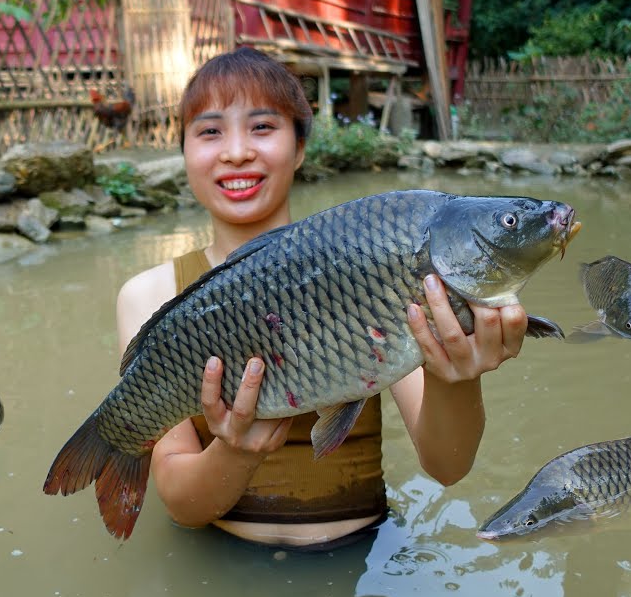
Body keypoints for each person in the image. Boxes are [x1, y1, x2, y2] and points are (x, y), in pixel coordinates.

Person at [114, 47, 529, 551]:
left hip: (364, 556)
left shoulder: (375, 255)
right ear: (182, 151)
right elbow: (181, 506)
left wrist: (457, 377)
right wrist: (236, 451)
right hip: (224, 557)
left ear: (301, 146)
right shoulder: (149, 295)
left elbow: (448, 466)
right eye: (209, 131)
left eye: (263, 127)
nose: (237, 151)